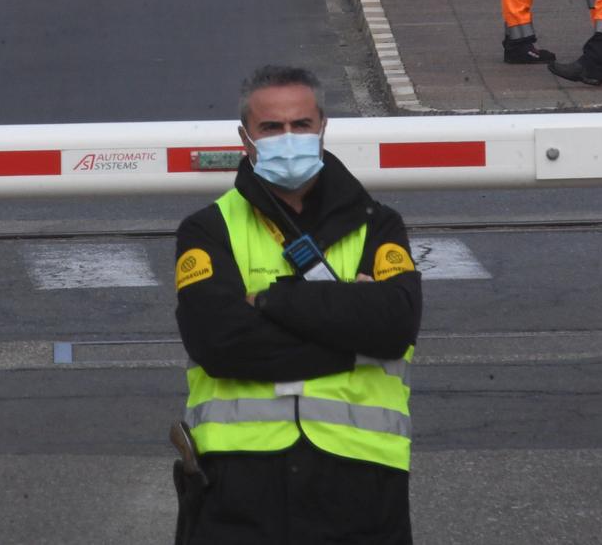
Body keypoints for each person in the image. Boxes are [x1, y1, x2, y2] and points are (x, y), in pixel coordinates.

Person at [173, 65, 421, 545]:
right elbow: (220, 344)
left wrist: (270, 300)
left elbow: (394, 325)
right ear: (246, 138)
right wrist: (353, 339)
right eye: (272, 127)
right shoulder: (208, 229)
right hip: (236, 489)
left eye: (301, 125)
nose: (289, 138)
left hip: (360, 486)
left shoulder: (380, 225)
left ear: (323, 127)